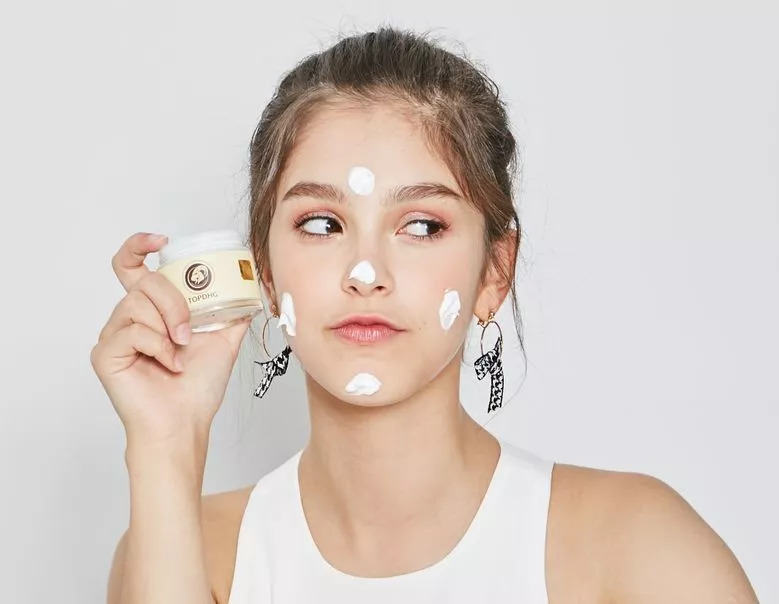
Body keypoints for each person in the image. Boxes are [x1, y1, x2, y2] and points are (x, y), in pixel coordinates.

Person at [91, 26, 759, 604]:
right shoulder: (190, 552)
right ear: (264, 272)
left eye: (421, 225)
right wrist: (166, 443)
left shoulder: (637, 550)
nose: (365, 273)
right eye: (322, 224)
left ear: (493, 272)